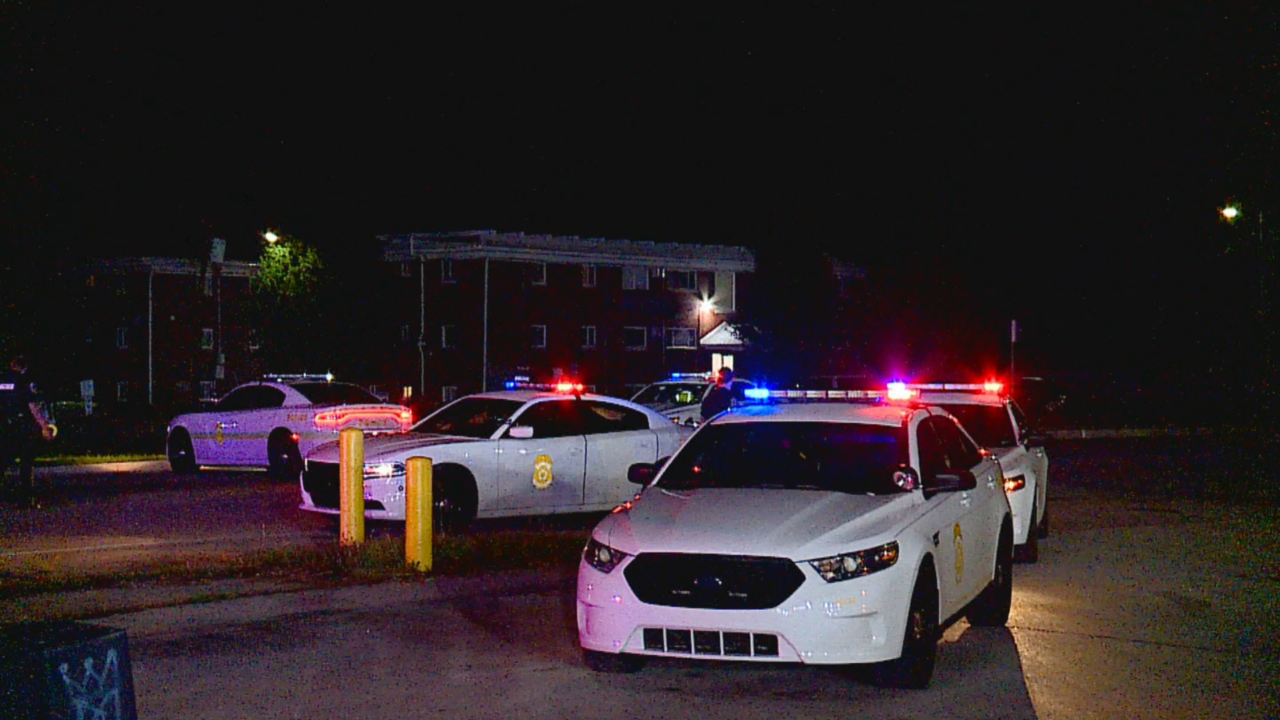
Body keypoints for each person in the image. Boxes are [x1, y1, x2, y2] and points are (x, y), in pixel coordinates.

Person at [0, 353, 56, 505]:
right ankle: (26, 498)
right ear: (23, 367)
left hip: (4, 426)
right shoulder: (25, 381)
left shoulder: (3, 380)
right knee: (26, 462)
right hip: (22, 427)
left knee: (3, 461)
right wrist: (45, 426)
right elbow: (33, 406)